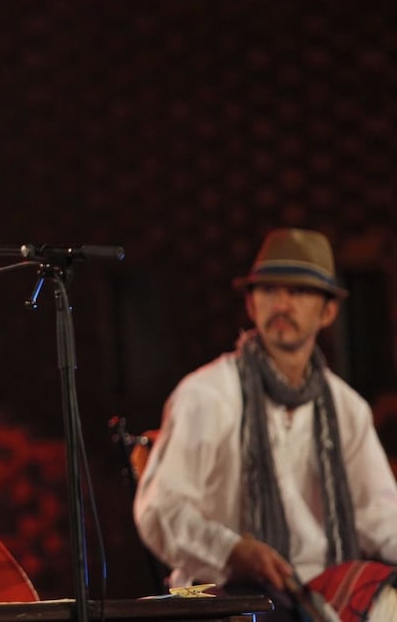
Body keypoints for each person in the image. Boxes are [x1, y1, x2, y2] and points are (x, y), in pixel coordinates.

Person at [134, 228, 397, 620]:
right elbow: (161, 511)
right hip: (215, 589)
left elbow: (381, 516)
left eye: (299, 292)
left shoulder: (346, 408)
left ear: (328, 311)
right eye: (270, 290)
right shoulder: (206, 395)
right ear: (251, 305)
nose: (282, 304)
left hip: (316, 587)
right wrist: (232, 550)